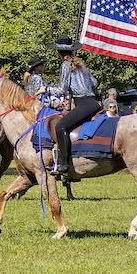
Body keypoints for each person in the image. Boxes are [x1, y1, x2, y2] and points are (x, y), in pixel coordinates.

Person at [51, 36, 100, 179]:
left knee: (60, 126)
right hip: (93, 102)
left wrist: (46, 89)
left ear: (58, 52)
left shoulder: (65, 65)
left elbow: (62, 89)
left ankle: (64, 166)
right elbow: (94, 82)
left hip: (84, 103)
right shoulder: (81, 65)